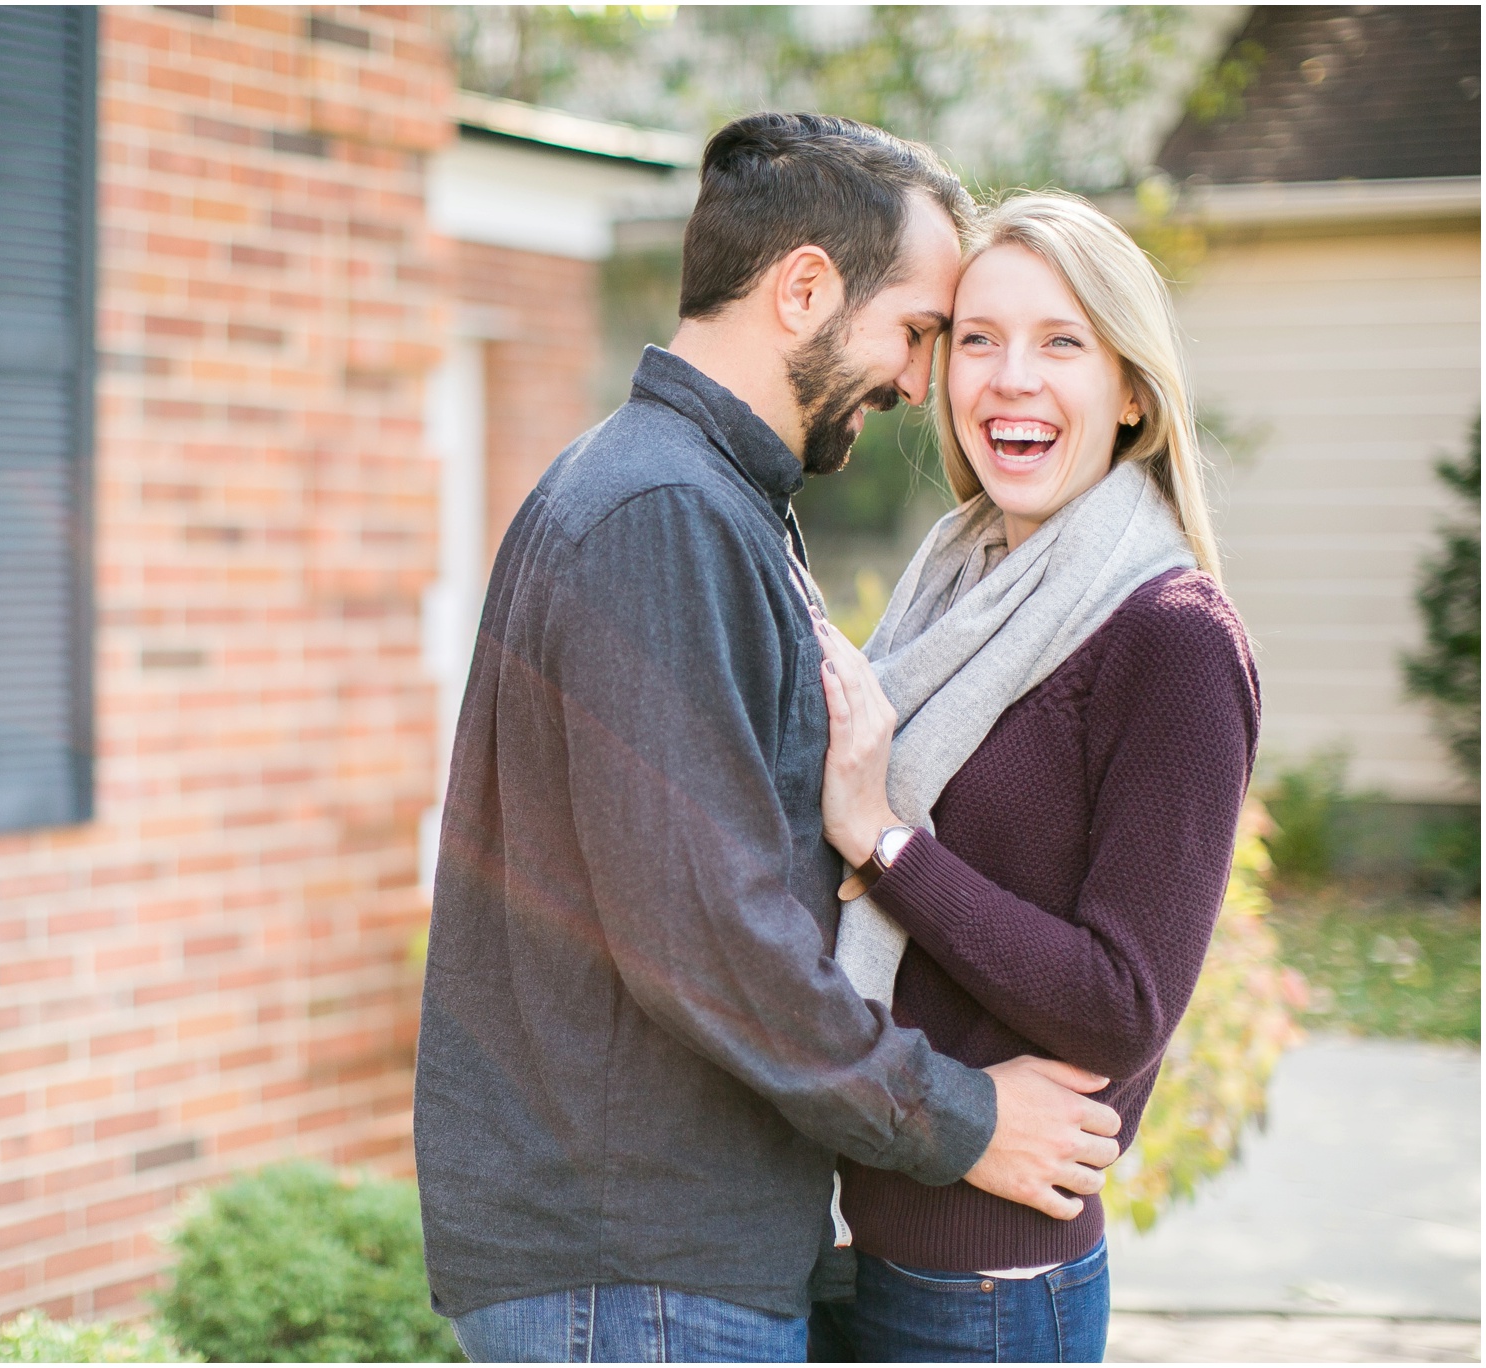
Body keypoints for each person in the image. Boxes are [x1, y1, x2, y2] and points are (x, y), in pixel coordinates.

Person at [413, 114, 1124, 1365]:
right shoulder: (660, 516)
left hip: (657, 1264)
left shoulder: (703, 499)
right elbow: (709, 939)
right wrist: (962, 1119)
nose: (920, 383)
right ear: (803, 287)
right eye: (914, 331)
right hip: (631, 1275)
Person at [806, 191, 1261, 1363]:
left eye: (1060, 342)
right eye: (977, 338)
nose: (1011, 377)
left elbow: (1121, 1003)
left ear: (1129, 392)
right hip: (883, 1230)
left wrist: (884, 844)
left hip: (990, 1290)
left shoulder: (1169, 637)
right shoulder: (957, 582)